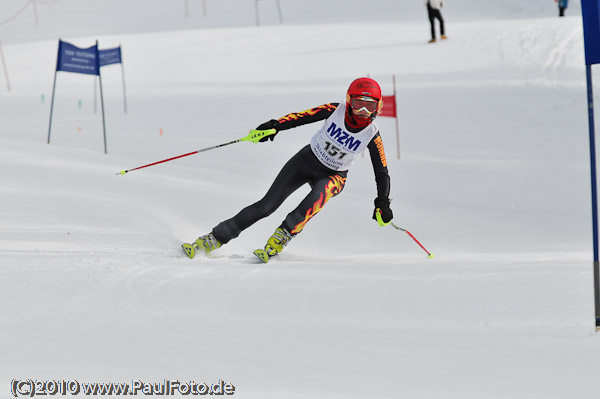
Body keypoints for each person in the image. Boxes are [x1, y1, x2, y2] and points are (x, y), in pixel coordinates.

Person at [182, 77, 394, 263]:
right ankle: (214, 238)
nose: (363, 112)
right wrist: (274, 126)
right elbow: (300, 117)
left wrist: (382, 201)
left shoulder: (372, 135)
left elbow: (382, 173)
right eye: (358, 104)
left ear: (378, 107)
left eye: (369, 106)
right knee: (266, 206)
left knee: (313, 200)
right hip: (307, 160)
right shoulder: (334, 110)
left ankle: (282, 237)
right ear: (349, 102)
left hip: (334, 176)